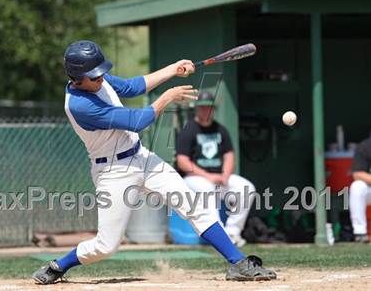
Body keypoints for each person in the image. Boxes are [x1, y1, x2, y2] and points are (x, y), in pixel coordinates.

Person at [32, 40, 276, 284]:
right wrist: (168, 96)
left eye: (101, 73)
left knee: (193, 205)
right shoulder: (79, 105)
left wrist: (173, 69)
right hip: (112, 171)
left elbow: (131, 87)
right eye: (94, 77)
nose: (101, 79)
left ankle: (238, 263)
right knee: (106, 246)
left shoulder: (96, 80)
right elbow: (138, 120)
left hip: (142, 157)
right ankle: (58, 265)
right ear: (76, 78)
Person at [176, 91, 255, 247]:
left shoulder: (220, 129)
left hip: (219, 176)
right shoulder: (189, 129)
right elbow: (182, 162)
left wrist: (225, 175)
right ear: (197, 109)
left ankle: (233, 232)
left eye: (208, 107)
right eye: (202, 108)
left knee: (247, 188)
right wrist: (207, 175)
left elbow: (229, 155)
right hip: (195, 178)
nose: (205, 110)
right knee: (207, 188)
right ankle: (220, 237)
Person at [349, 134, 371, 243]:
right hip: (369, 189)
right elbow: (357, 174)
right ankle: (360, 233)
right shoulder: (365, 146)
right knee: (357, 187)